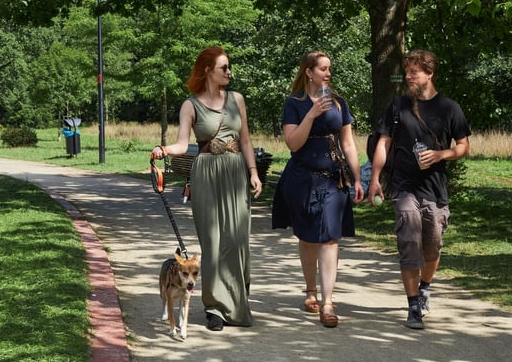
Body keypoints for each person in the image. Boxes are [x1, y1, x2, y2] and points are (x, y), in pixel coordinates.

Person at [150, 46, 263, 332]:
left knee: (237, 242)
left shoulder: (237, 99)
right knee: (212, 245)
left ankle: (237, 303)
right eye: (223, 67)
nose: (229, 72)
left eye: (229, 67)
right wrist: (163, 150)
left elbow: (247, 140)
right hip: (206, 173)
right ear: (207, 71)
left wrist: (253, 172)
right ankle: (214, 309)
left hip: (235, 172)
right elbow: (182, 144)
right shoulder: (191, 105)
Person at [366, 49, 471, 330]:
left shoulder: (450, 108)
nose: (409, 76)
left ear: (429, 73)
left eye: (414, 72)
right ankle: (413, 305)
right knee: (409, 238)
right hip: (404, 185)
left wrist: (440, 155)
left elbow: (463, 147)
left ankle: (425, 286)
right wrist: (375, 178)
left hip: (435, 188)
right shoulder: (398, 106)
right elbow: (384, 143)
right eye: (407, 71)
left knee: (432, 244)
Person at [271, 51, 364, 328]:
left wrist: (358, 179)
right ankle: (310, 290)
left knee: (331, 238)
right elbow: (293, 144)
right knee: (308, 237)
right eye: (323, 69)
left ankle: (327, 302)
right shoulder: (294, 104)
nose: (328, 74)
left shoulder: (339, 104)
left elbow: (348, 143)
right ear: (309, 72)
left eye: (329, 69)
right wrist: (311, 114)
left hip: (334, 180)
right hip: (302, 179)